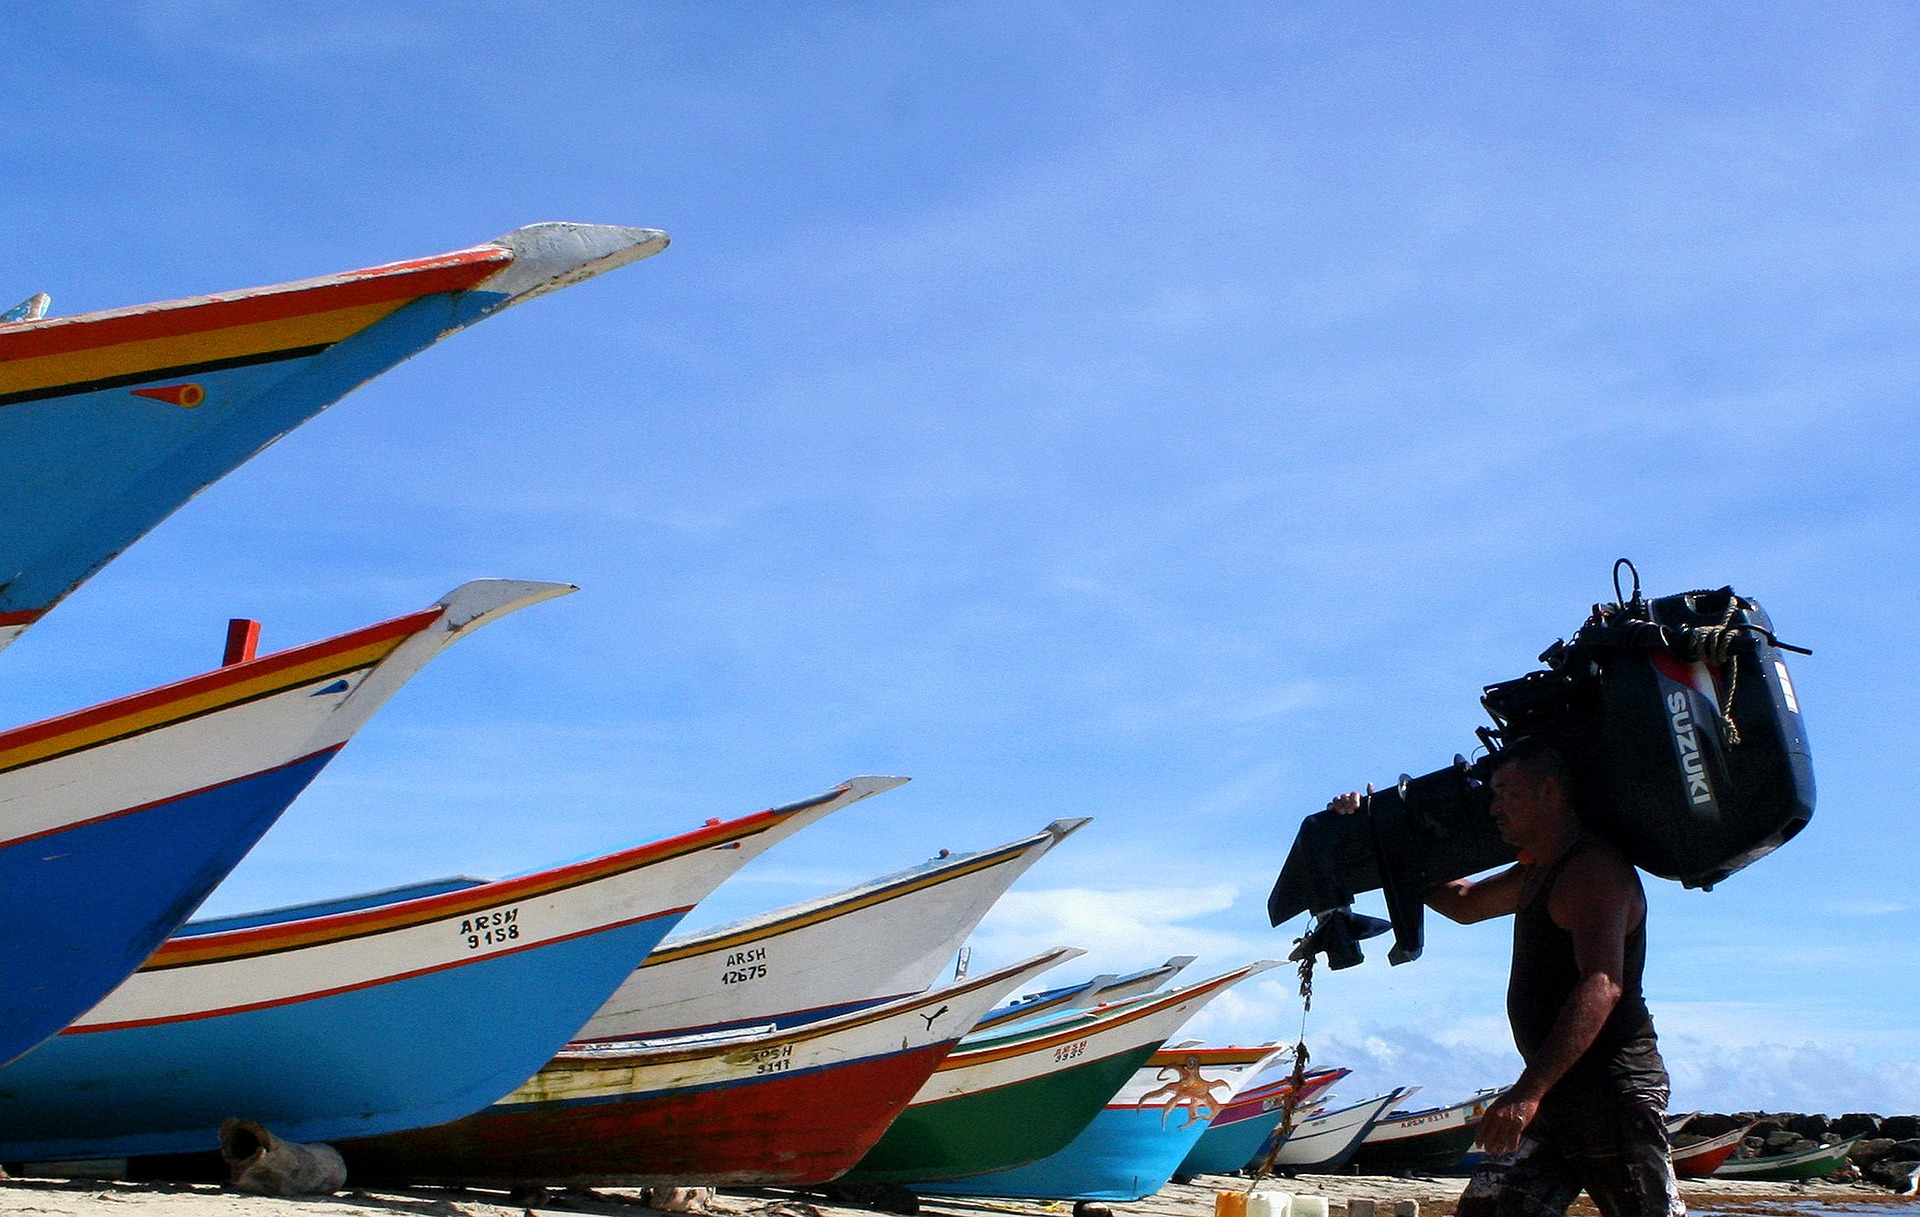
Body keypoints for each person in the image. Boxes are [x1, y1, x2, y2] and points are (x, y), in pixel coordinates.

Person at [1329, 743, 1683, 1217]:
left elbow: (1602, 984)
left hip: (1611, 1091)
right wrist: (1378, 832)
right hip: (1552, 1091)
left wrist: (1525, 1095)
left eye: (1505, 793)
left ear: (1550, 792)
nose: (1493, 808)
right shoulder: (1539, 869)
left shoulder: (1593, 869)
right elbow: (1465, 903)